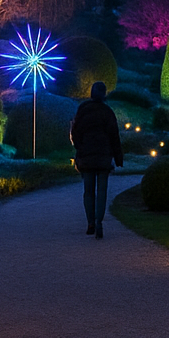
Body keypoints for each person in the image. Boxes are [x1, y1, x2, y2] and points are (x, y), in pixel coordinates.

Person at [70, 80, 123, 238]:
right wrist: (118, 157)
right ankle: (99, 221)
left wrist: (80, 148)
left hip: (86, 156)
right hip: (103, 156)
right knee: (101, 192)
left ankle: (90, 222)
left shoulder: (83, 110)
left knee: (88, 191)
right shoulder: (107, 112)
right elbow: (114, 137)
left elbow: (75, 132)